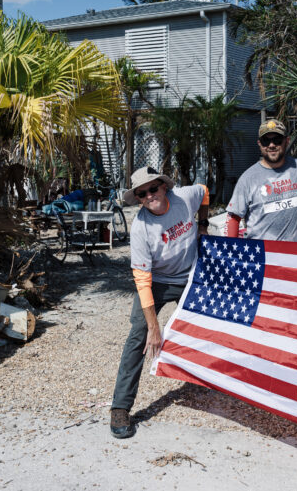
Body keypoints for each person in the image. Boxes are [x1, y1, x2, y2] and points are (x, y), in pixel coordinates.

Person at [110, 166, 208, 439]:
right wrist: (154, 327)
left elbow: (206, 193)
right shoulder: (141, 227)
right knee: (139, 336)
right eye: (142, 194)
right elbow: (142, 280)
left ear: (164, 186)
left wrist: (203, 226)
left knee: (212, 322)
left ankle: (216, 382)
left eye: (153, 189)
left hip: (190, 275)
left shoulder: (185, 197)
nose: (149, 196)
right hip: (158, 281)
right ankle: (120, 407)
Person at [226, 118, 297, 242]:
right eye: (266, 141)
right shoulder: (247, 178)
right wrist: (231, 251)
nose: (271, 145)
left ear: (287, 141)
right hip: (264, 256)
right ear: (259, 144)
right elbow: (233, 218)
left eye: (277, 140)